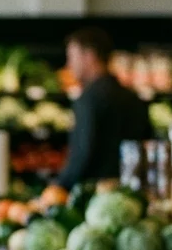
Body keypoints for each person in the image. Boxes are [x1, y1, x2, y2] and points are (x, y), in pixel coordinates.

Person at [56, 27, 153, 189]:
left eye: (72, 57)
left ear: (89, 57)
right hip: (130, 189)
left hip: (93, 192)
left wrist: (60, 186)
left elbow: (83, 152)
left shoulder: (88, 100)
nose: (68, 65)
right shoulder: (132, 98)